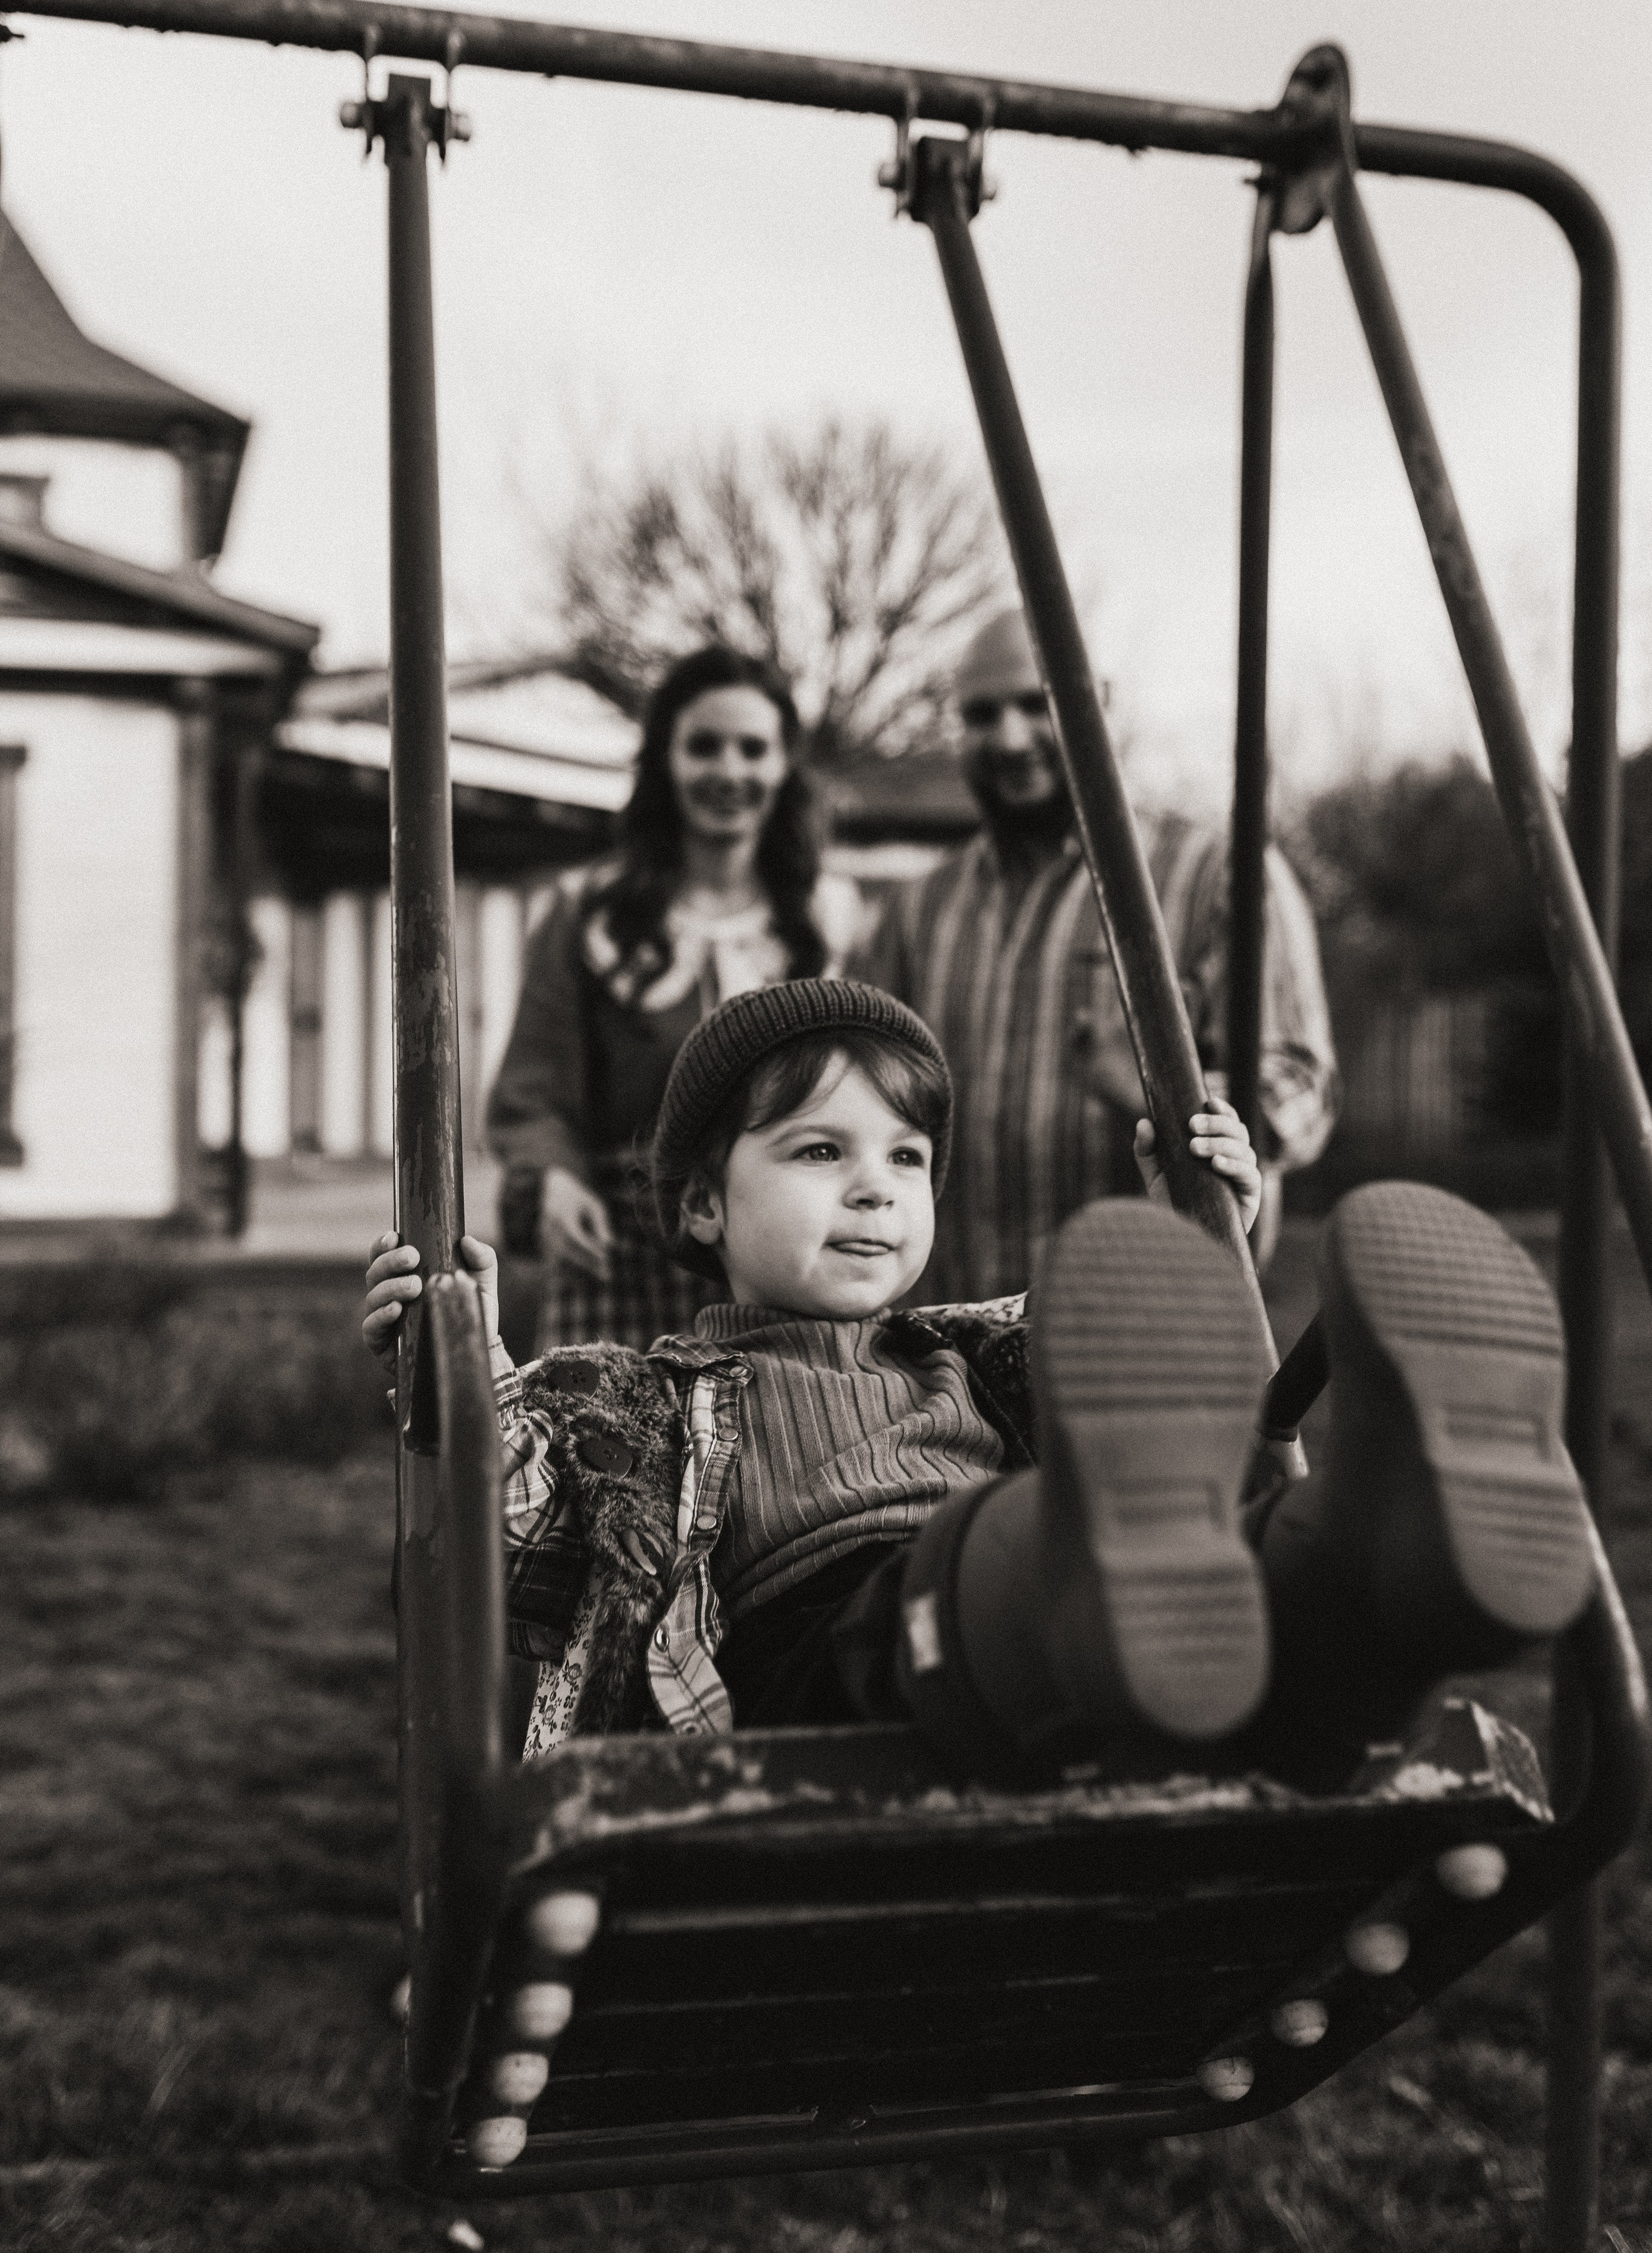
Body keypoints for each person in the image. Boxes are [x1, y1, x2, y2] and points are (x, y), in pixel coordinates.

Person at [364, 978, 1593, 1795]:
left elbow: (1151, 1336)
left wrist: (1199, 1226)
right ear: (699, 1202)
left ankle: (1387, 1565)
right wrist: (452, 1374)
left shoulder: (983, 1352)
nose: (877, 1188)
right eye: (818, 1152)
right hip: (820, 1686)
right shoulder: (625, 1402)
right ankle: (1127, 1585)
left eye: (907, 1156)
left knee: (1250, 1570)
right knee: (1028, 1545)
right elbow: (502, 1514)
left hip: (1041, 1639)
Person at [855, 609, 1338, 1300]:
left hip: (1145, 1340)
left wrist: (1170, 1091)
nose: (1011, 738)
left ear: (1099, 706)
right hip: (946, 1356)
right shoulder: (916, 910)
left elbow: (1300, 1092)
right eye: (982, 715)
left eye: (1036, 704)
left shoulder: (1219, 879)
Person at [486, 645, 861, 1351]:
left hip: (783, 1263)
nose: (728, 772)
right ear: (665, 762)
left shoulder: (829, 921)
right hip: (621, 1257)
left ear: (784, 766)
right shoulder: (586, 914)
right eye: (703, 747)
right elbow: (531, 1097)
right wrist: (554, 1182)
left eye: (752, 749)